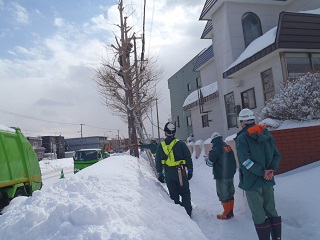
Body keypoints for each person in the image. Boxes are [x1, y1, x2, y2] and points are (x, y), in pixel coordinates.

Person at [235, 108, 282, 240]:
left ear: (242, 122)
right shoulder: (266, 134)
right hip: (268, 179)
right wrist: (269, 171)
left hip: (252, 181)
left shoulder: (242, 138)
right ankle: (277, 238)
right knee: (271, 210)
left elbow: (245, 161)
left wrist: (261, 172)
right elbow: (277, 155)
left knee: (259, 214)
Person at [155, 122, 193, 217]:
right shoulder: (181, 144)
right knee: (185, 193)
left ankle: (178, 216)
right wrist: (190, 169)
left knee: (173, 194)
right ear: (174, 132)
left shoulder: (161, 146)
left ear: (165, 133)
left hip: (168, 173)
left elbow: (158, 161)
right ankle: (187, 214)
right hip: (181, 172)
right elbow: (188, 157)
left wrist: (160, 173)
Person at [206, 132, 236, 220]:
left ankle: (226, 214)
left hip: (221, 176)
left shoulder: (215, 150)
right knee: (230, 193)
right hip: (230, 175)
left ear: (214, 141)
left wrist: (207, 159)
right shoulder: (228, 147)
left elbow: (210, 163)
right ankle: (231, 213)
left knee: (223, 195)